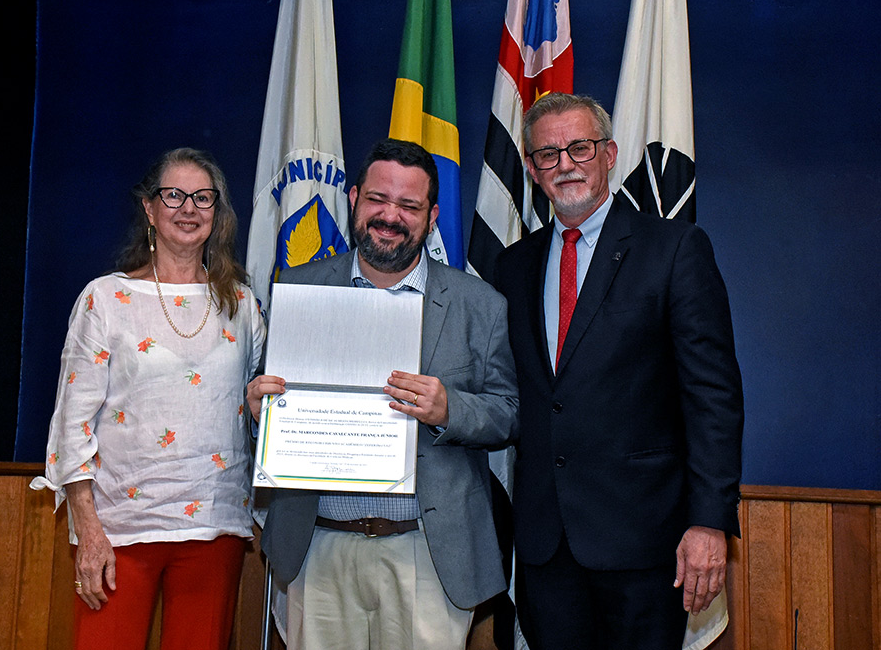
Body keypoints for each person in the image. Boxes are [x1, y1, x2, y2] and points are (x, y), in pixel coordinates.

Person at [493, 93, 743, 649]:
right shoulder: (512, 267)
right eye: (549, 154)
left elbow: (713, 397)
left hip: (646, 542)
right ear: (532, 169)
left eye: (579, 148)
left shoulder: (674, 249)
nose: (565, 164)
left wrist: (708, 522)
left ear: (608, 154)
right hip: (544, 543)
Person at [248, 138, 519, 650]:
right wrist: (258, 410)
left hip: (426, 552)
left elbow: (509, 413)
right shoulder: (301, 288)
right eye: (377, 199)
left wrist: (450, 409)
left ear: (432, 216)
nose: (390, 216)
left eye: (409, 205)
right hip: (318, 545)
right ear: (353, 199)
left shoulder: (478, 304)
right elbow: (270, 406)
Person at [30, 147, 265, 650]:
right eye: (174, 195)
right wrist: (88, 528)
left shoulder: (242, 304)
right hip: (119, 530)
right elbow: (72, 423)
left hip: (213, 523)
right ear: (149, 209)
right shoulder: (105, 299)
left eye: (203, 198)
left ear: (218, 213)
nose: (188, 208)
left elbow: (252, 403)